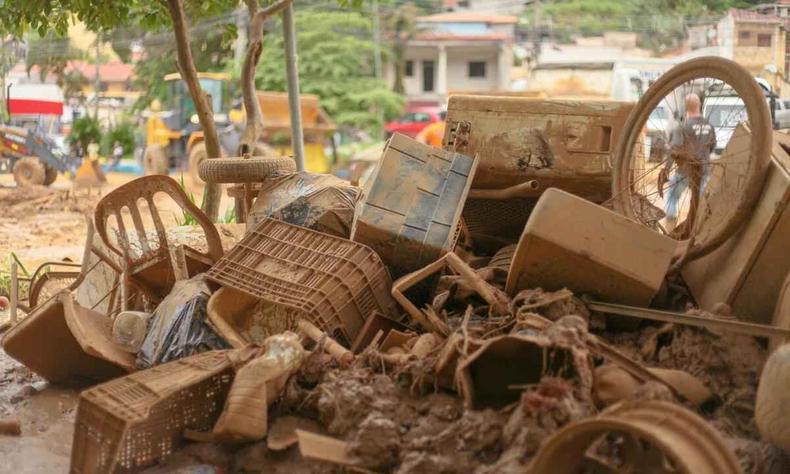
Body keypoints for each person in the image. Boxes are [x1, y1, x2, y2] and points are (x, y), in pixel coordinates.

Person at [658, 93, 716, 232]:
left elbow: (674, 150)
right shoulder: (709, 125)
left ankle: (671, 225)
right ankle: (700, 229)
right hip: (704, 170)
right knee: (701, 204)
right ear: (699, 105)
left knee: (672, 196)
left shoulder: (683, 126)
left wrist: (666, 170)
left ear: (685, 107)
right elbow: (712, 145)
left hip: (685, 171)